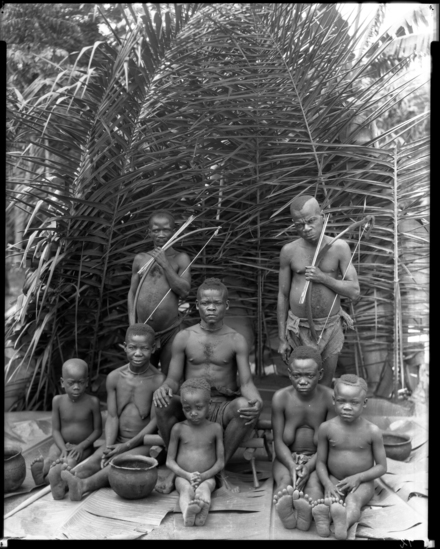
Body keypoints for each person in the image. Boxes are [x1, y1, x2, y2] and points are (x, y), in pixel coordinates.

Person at [153, 278, 263, 494]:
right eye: (205, 303)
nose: (211, 307)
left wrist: (256, 401)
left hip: (222, 406)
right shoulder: (184, 338)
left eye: (217, 303)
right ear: (197, 305)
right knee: (163, 404)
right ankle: (175, 466)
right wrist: (163, 387)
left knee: (246, 407)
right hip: (191, 405)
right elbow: (173, 379)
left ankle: (217, 469)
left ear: (226, 305)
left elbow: (246, 382)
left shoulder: (236, 339)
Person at [48, 324, 165, 500]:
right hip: (116, 440)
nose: (138, 353)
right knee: (97, 459)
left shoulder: (158, 381)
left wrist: (125, 447)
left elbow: (153, 423)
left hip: (142, 443)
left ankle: (82, 486)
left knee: (117, 464)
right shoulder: (115, 377)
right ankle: (63, 482)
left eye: (144, 348)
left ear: (153, 348)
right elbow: (112, 416)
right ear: (125, 347)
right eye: (133, 347)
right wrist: (109, 447)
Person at [277, 195, 360, 386]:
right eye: (299, 224)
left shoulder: (339, 248)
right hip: (298, 329)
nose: (306, 229)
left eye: (310, 221)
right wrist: (282, 339)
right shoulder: (289, 251)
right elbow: (282, 294)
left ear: (322, 217)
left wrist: (323, 277)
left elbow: (355, 291)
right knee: (301, 384)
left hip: (330, 327)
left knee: (325, 384)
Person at [315, 374, 387, 539]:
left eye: (354, 402)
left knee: (353, 500)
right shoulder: (326, 428)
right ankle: (324, 522)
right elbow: (320, 462)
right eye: (341, 401)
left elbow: (382, 467)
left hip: (363, 482)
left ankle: (343, 524)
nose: (347, 407)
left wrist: (359, 477)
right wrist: (327, 484)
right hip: (335, 479)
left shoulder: (372, 431)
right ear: (334, 400)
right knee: (331, 500)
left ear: (364, 403)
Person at [272, 346, 334, 531]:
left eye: (309, 375)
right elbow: (278, 442)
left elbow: (328, 445)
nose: (303, 381)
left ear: (320, 374)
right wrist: (292, 465)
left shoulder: (329, 398)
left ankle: (308, 513)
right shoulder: (280, 398)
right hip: (286, 457)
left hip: (318, 459)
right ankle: (288, 513)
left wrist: (308, 467)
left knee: (314, 485)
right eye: (297, 375)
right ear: (289, 374)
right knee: (285, 483)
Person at [127, 210, 191, 376]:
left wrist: (165, 264)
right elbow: (132, 293)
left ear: (174, 231)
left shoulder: (180, 258)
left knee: (171, 378)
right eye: (156, 230)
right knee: (142, 377)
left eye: (166, 230)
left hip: (170, 331)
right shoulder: (140, 259)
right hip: (143, 333)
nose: (161, 234)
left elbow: (184, 291)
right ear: (149, 232)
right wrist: (133, 326)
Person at [30, 359, 102, 486]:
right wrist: (62, 447)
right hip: (60, 444)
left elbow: (98, 430)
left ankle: (49, 480)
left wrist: (82, 446)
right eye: (71, 383)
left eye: (80, 383)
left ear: (87, 382)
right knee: (51, 459)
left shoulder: (93, 402)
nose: (76, 387)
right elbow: (56, 430)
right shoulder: (57, 401)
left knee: (70, 463)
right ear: (63, 383)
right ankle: (41, 474)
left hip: (82, 447)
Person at [166, 377, 224, 527]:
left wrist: (204, 476)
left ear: (209, 405)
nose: (193, 413)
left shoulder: (215, 428)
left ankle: (202, 512)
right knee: (185, 490)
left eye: (199, 408)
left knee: (205, 489)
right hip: (183, 476)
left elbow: (220, 462)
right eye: (187, 408)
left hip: (207, 477)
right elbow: (169, 461)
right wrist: (187, 475)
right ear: (182, 407)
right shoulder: (178, 429)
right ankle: (188, 514)